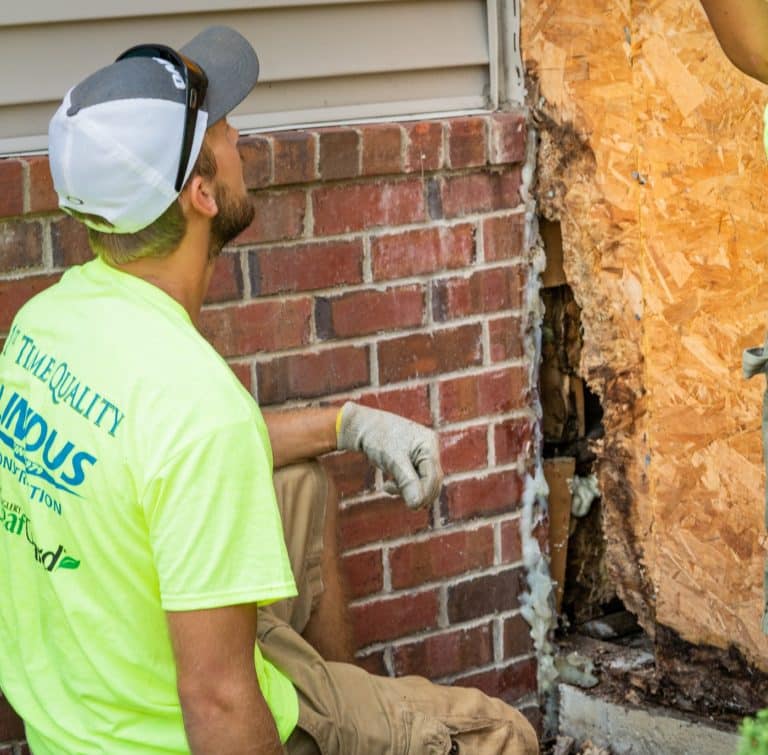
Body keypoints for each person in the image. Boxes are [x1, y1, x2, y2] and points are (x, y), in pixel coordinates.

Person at [0, 25, 539, 754]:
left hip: (85, 700)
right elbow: (219, 703)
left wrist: (350, 423)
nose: (239, 134)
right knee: (500, 733)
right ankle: (332, 728)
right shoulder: (193, 402)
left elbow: (158, 458)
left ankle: (344, 712)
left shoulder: (47, 321)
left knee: (301, 486)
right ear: (200, 192)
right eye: (221, 129)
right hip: (174, 728)